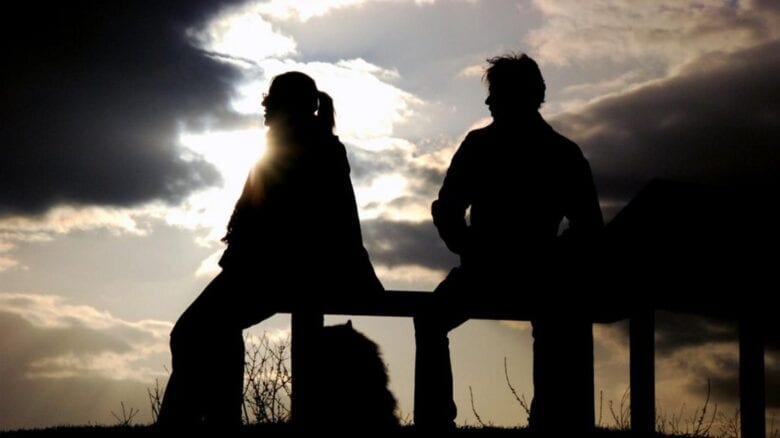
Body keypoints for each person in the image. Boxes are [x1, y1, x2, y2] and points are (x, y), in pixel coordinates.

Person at [157, 71, 383, 429]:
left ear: (285, 107)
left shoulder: (310, 147)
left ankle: (191, 422)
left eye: (270, 105)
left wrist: (245, 260)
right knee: (208, 330)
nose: (265, 113)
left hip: (291, 272)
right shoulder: (301, 144)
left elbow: (295, 223)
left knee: (195, 331)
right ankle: (208, 420)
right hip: (277, 269)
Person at [413, 53, 603, 433]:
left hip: (499, 272)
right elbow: (589, 226)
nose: (488, 101)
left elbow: (447, 209)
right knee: (433, 318)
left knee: (431, 318)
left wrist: (470, 247)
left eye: (496, 93)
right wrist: (475, 248)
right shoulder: (560, 152)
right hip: (526, 274)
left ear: (517, 96)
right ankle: (549, 423)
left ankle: (435, 426)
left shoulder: (486, 146)